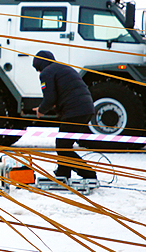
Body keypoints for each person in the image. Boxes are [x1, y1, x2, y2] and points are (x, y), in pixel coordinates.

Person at [32, 50, 97, 181]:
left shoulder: (46, 72)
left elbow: (50, 98)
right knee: (64, 144)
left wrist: (41, 110)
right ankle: (63, 173)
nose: (38, 72)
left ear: (40, 65)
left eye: (37, 68)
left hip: (75, 110)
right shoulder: (63, 68)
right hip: (86, 108)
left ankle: (88, 174)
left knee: (62, 145)